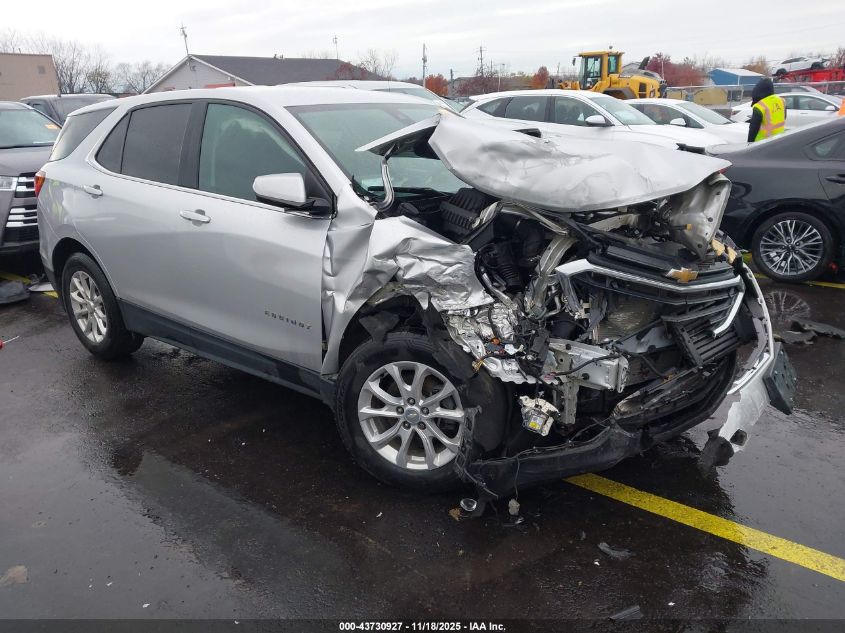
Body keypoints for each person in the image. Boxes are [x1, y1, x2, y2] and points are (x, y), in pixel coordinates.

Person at [747, 78, 786, 142]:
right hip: (779, 139)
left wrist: (749, 144)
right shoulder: (781, 100)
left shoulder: (759, 107)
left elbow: (753, 130)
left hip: (762, 143)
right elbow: (784, 117)